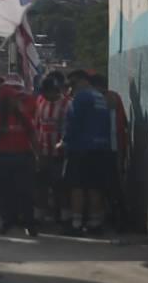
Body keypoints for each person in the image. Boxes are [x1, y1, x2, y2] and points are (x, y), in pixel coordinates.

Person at [60, 70, 113, 235]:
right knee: (94, 188)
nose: (72, 88)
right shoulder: (100, 98)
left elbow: (72, 124)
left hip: (80, 150)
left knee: (77, 187)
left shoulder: (81, 98)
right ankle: (95, 223)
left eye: (73, 84)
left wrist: (64, 142)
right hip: (100, 150)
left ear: (82, 82)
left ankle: (76, 224)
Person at [0, 85, 39, 236]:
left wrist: (38, 154)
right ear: (6, 100)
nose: (17, 101)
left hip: (23, 158)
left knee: (26, 192)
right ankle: (7, 221)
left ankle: (29, 223)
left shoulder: (24, 116)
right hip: (3, 158)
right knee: (5, 192)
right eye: (13, 98)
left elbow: (33, 136)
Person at [90, 73, 129, 230]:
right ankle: (117, 217)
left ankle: (117, 216)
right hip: (115, 147)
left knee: (107, 184)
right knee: (114, 183)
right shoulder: (115, 97)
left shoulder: (100, 99)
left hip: (106, 148)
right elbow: (124, 123)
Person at [34, 78, 68, 223]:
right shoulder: (40, 101)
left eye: (48, 93)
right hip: (43, 152)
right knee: (41, 184)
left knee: (59, 186)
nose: (46, 96)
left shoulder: (67, 104)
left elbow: (69, 128)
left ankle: (62, 216)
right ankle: (40, 214)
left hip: (60, 154)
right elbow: (37, 125)